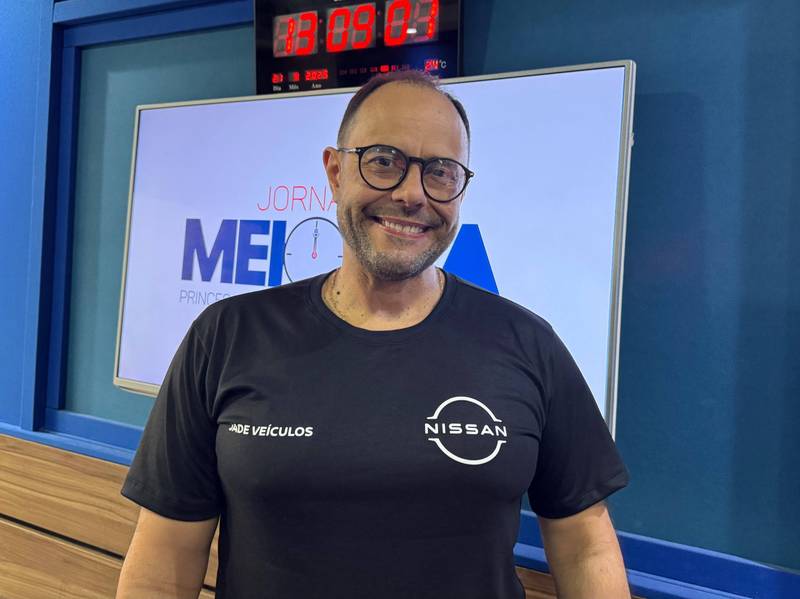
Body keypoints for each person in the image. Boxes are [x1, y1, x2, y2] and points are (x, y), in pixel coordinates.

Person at [117, 70, 631, 599]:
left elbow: (584, 544)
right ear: (335, 172)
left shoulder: (527, 343)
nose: (412, 194)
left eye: (441, 172)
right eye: (383, 161)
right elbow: (163, 561)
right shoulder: (226, 336)